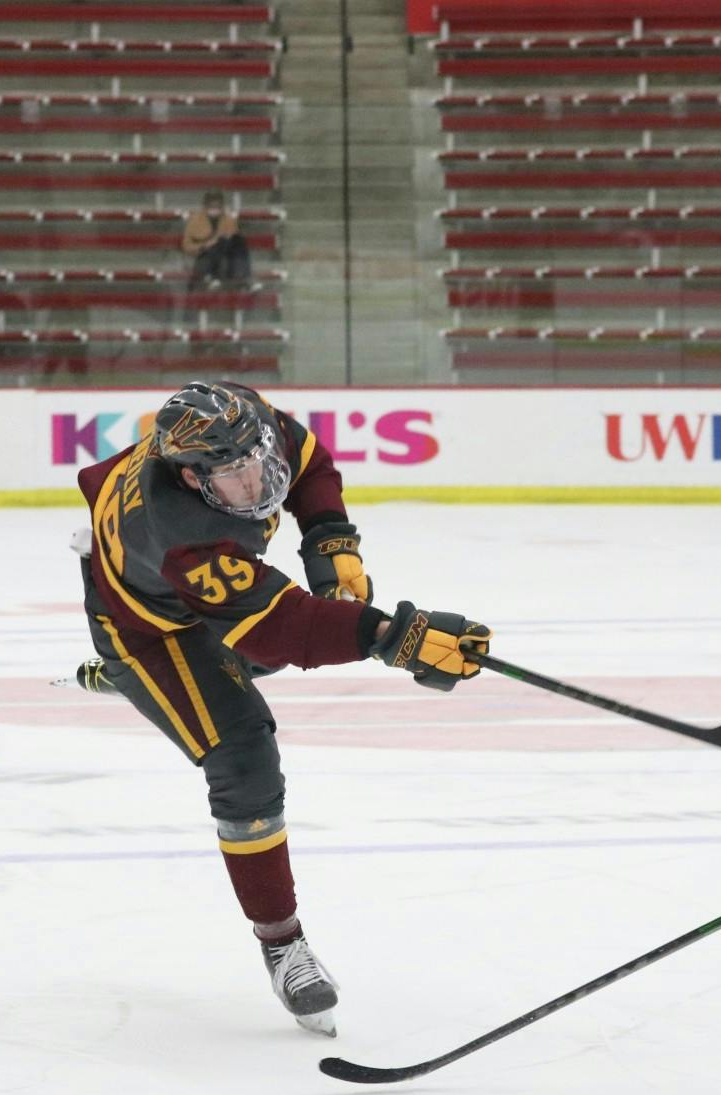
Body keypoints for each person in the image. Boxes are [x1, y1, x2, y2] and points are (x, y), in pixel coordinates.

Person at [70, 381, 491, 1035]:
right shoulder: (185, 533)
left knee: (241, 655)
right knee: (243, 752)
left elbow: (307, 458)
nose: (258, 479)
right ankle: (281, 942)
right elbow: (283, 629)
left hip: (192, 596)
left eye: (257, 459)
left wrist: (330, 542)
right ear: (193, 478)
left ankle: (152, 683)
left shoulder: (243, 417)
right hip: (148, 626)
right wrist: (392, 636)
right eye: (237, 475)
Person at [181, 189, 252, 292]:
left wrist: (223, 240)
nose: (215, 210)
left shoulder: (229, 220)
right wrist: (205, 245)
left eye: (217, 206)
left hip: (225, 257)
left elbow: (235, 244)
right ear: (205, 206)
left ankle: (243, 279)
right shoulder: (195, 221)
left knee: (237, 240)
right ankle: (240, 280)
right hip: (204, 257)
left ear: (222, 206)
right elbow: (186, 246)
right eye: (211, 206)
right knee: (219, 245)